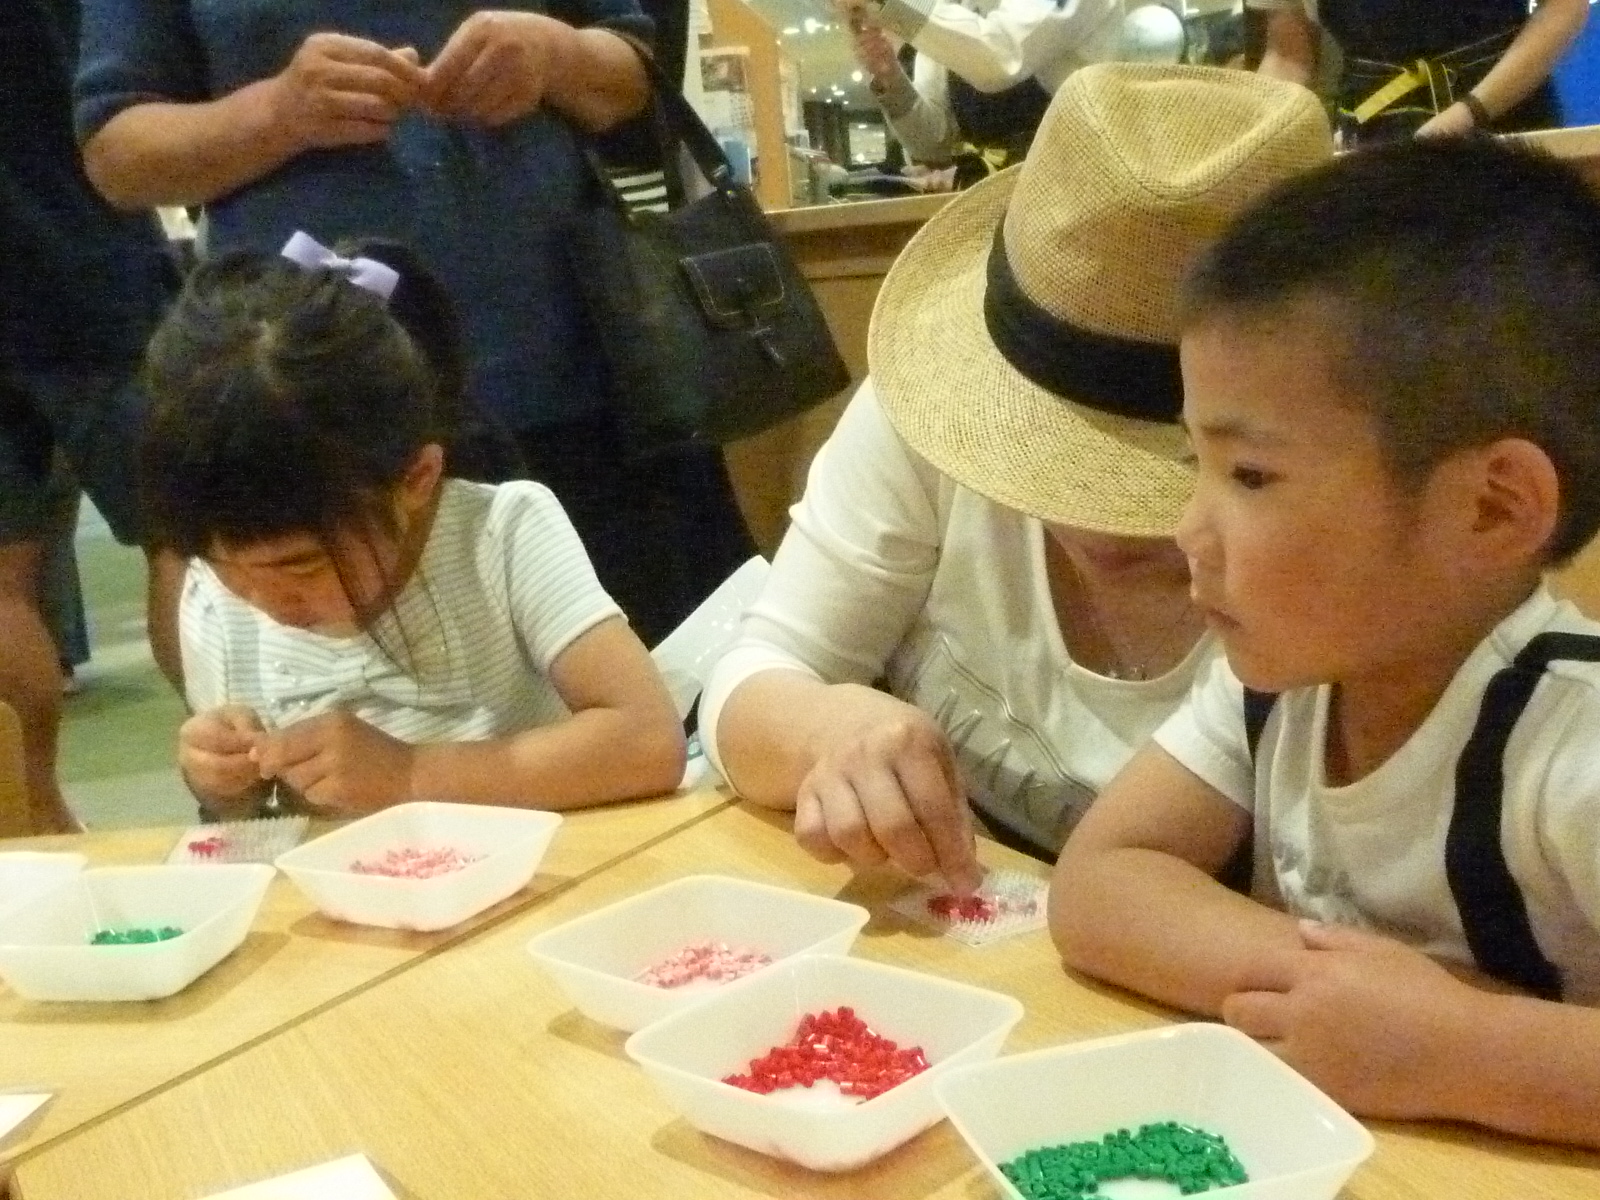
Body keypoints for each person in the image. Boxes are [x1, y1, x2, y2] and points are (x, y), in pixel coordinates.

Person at [1052, 137, 1600, 1148]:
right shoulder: (1281, 678)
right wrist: (1342, 1000)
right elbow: (1099, 884)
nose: (1187, 528)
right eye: (1195, 462)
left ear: (1491, 508)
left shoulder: (1576, 745)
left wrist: (1466, 1048)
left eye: (1250, 476)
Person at [699, 63, 1332, 894]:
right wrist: (829, 727)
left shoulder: (1367, 573)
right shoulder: (929, 412)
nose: (1098, 522)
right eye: (1051, 444)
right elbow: (756, 671)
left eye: (1222, 467)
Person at [75, 0, 756, 653]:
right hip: (308, 416)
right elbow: (116, 157)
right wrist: (278, 112)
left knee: (651, 671)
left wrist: (555, 54)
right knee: (321, 701)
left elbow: (634, 79)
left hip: (579, 380)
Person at [146, 239, 685, 818]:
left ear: (417, 478)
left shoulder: (501, 537)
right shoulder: (212, 593)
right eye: (224, 567)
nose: (265, 600)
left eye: (300, 564)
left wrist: (410, 774)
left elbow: (649, 743)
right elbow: (249, 818)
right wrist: (220, 779)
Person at [2, 0, 174, 833]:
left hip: (79, 266)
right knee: (194, 540)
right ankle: (248, 791)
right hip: (91, 270)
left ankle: (32, 833)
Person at [1251, 0, 1588, 144]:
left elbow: (1564, 8)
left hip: (1507, 119)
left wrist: (1468, 113)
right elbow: (1287, 57)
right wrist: (1254, 132)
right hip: (1376, 134)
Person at [840, 0, 1129, 167]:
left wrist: (890, 4)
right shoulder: (953, 7)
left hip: (1079, 182)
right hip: (990, 198)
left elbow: (999, 58)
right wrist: (890, 77)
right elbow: (934, 143)